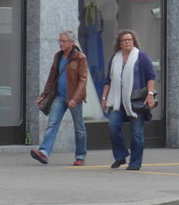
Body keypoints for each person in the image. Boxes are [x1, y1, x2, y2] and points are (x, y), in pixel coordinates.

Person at [100, 29, 156, 170]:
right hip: (117, 101)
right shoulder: (115, 58)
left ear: (134, 41)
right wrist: (104, 98)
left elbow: (151, 77)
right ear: (119, 43)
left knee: (137, 133)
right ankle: (120, 156)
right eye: (124, 40)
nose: (127, 42)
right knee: (113, 127)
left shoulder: (141, 56)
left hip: (135, 102)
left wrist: (150, 95)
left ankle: (135, 163)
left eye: (129, 40)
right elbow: (108, 80)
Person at [31, 31, 89, 166]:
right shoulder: (58, 56)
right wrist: (43, 96)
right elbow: (52, 78)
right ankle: (44, 152)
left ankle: (80, 156)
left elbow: (83, 80)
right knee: (52, 124)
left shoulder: (80, 57)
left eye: (63, 41)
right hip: (59, 96)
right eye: (60, 41)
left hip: (74, 98)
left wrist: (75, 98)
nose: (61, 43)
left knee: (79, 128)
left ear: (71, 42)